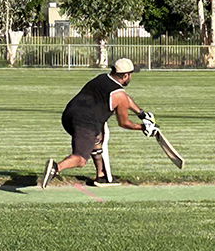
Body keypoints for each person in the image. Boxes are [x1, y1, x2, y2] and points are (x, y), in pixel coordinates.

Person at [41, 58, 158, 189]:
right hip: (84, 123)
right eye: (130, 74)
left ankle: (101, 176)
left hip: (68, 115)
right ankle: (56, 167)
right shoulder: (119, 95)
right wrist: (143, 128)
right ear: (125, 75)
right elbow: (123, 123)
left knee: (97, 139)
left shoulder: (101, 78)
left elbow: (126, 99)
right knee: (80, 159)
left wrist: (141, 114)